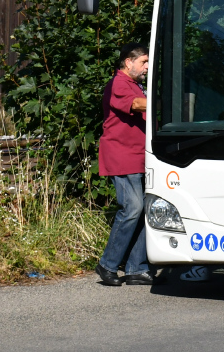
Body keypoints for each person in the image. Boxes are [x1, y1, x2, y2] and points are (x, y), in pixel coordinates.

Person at [96, 43, 154, 286]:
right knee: (132, 208)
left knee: (144, 211)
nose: (147, 66)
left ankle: (135, 268)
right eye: (143, 62)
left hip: (138, 156)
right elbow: (137, 105)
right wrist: (166, 104)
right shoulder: (119, 82)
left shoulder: (134, 84)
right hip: (122, 156)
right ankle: (107, 264)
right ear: (128, 62)